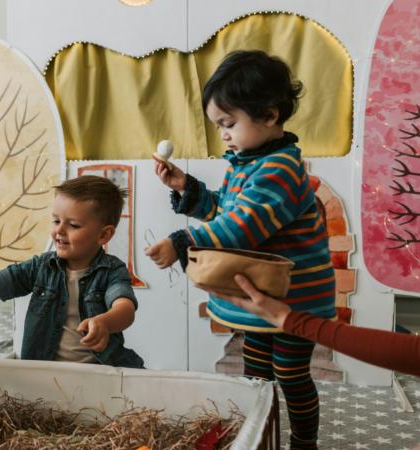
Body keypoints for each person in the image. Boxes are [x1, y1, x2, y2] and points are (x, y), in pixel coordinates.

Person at [220, 63, 420, 450]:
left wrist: (289, 319)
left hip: (297, 312)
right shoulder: (243, 172)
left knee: (292, 378)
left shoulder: (280, 169)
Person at [145, 50, 335, 450]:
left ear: (268, 115)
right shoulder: (248, 163)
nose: (224, 135)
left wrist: (183, 243)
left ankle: (304, 443)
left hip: (296, 297)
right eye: (219, 126)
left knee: (291, 373)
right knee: (256, 371)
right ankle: (260, 434)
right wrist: (187, 189)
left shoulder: (279, 169)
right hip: (264, 296)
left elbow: (241, 227)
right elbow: (225, 209)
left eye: (229, 124)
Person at [0, 175, 144, 368]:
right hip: (44, 375)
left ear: (103, 235)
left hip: (99, 375)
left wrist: (105, 322)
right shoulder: (41, 267)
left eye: (73, 225)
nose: (59, 231)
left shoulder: (111, 270)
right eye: (56, 221)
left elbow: (125, 308)